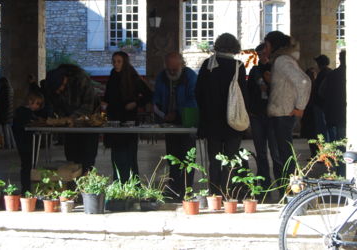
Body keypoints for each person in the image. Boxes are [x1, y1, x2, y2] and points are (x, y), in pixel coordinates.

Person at [195, 33, 248, 195]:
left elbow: (198, 92)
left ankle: (214, 193)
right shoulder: (238, 66)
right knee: (231, 159)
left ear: (217, 45)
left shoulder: (208, 65)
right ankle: (228, 192)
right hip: (232, 122)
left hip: (212, 122)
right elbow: (244, 95)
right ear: (234, 47)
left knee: (214, 160)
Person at [263, 31, 311, 181]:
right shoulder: (281, 60)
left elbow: (304, 82)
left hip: (283, 115)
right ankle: (288, 191)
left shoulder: (282, 60)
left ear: (272, 45)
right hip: (281, 114)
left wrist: (300, 107)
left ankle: (291, 192)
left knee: (285, 157)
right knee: (282, 156)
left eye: (266, 45)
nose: (265, 49)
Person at [153, 52, 198, 199]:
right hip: (169, 123)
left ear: (182, 65)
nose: (172, 72)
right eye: (169, 69)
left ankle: (187, 190)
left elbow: (193, 99)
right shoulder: (162, 77)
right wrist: (159, 112)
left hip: (187, 121)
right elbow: (157, 97)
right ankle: (174, 189)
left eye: (175, 69)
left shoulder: (190, 76)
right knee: (172, 157)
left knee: (188, 158)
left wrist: (178, 113)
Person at [102, 52, 152, 182]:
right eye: (114, 61)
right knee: (116, 154)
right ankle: (118, 182)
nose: (116, 64)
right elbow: (108, 96)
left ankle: (132, 184)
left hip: (129, 119)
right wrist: (104, 103)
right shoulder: (113, 76)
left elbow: (148, 94)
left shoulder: (132, 77)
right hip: (114, 119)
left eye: (119, 61)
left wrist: (135, 103)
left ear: (124, 62)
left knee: (129, 155)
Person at [45, 64, 98, 172]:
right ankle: (72, 185)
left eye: (61, 87)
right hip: (70, 129)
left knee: (87, 161)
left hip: (88, 125)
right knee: (71, 160)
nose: (60, 91)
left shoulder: (81, 79)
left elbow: (88, 106)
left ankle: (87, 185)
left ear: (64, 79)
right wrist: (57, 119)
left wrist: (70, 118)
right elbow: (55, 105)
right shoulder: (54, 86)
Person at [247, 43, 280, 190]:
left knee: (275, 152)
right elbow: (248, 91)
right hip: (257, 114)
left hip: (272, 115)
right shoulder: (254, 70)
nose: (263, 57)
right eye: (260, 55)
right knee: (260, 152)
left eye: (265, 54)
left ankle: (280, 182)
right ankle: (265, 183)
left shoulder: (276, 69)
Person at [320, 50, 347, 176]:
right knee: (344, 145)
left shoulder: (332, 75)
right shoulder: (351, 74)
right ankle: (344, 172)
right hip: (343, 115)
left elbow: (322, 92)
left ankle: (340, 172)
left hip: (333, 115)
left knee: (338, 146)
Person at [13, 91, 44, 194]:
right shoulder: (24, 112)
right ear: (30, 101)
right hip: (25, 143)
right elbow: (29, 123)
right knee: (27, 165)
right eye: (37, 103)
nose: (38, 107)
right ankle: (26, 189)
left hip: (24, 142)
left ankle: (26, 188)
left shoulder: (22, 111)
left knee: (27, 165)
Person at [313, 55, 332, 142]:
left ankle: (325, 151)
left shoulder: (322, 74)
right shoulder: (330, 72)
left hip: (321, 105)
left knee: (322, 130)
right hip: (326, 105)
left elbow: (320, 91)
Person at [300, 68, 318, 157]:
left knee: (311, 135)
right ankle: (316, 153)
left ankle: (314, 154)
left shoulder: (305, 85)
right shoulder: (315, 84)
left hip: (308, 111)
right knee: (314, 134)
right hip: (312, 111)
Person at [0, 77, 15, 149]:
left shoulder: (4, 90)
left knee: (5, 129)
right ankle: (12, 145)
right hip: (9, 112)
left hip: (4, 112)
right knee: (9, 129)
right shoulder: (10, 89)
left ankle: (8, 145)